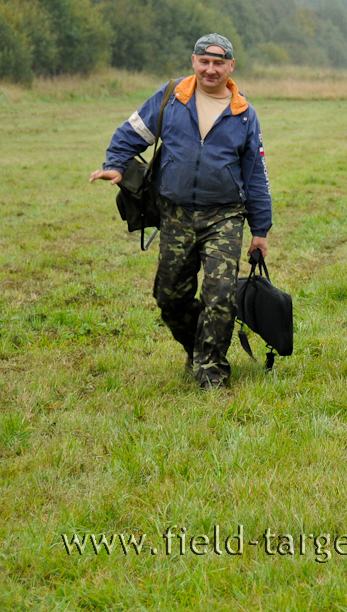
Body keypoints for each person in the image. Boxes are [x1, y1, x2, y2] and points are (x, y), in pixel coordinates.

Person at [89, 34, 272, 389]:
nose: (211, 69)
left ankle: (212, 373)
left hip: (225, 216)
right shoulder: (171, 97)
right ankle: (197, 347)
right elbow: (132, 132)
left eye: (219, 63)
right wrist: (115, 164)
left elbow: (256, 177)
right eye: (205, 61)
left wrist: (260, 231)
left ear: (231, 67)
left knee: (219, 295)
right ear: (194, 61)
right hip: (175, 214)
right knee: (169, 297)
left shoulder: (244, 116)